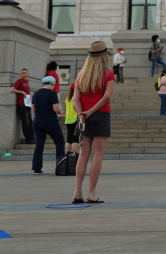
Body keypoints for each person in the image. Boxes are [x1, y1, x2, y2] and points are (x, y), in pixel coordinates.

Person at [72, 41, 115, 204]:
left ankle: (77, 192)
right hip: (100, 114)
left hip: (83, 116)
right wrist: (91, 112)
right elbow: (106, 96)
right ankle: (91, 193)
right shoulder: (108, 73)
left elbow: (76, 98)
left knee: (83, 155)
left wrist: (81, 115)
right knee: (97, 155)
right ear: (104, 55)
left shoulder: (81, 75)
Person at [30, 76, 65, 174]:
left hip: (37, 121)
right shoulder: (52, 93)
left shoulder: (36, 93)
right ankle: (60, 168)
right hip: (50, 121)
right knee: (60, 143)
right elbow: (56, 109)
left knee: (39, 145)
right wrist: (60, 110)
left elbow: (33, 109)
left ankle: (36, 168)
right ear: (52, 84)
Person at [11, 68, 34, 144]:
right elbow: (12, 89)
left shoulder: (27, 81)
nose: (23, 74)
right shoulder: (19, 81)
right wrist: (21, 92)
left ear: (28, 74)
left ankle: (32, 137)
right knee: (25, 121)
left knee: (30, 121)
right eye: (22, 73)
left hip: (27, 104)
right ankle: (28, 138)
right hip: (21, 104)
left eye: (25, 73)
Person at [62, 83, 79, 154]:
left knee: (69, 139)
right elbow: (77, 109)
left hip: (68, 120)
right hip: (75, 119)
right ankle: (73, 154)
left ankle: (67, 154)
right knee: (75, 139)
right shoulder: (75, 99)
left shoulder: (67, 99)